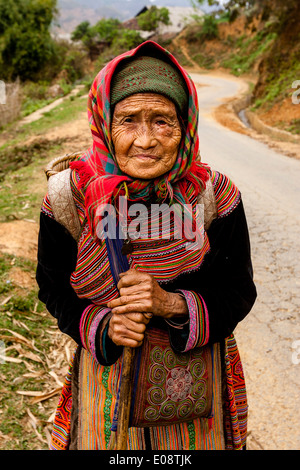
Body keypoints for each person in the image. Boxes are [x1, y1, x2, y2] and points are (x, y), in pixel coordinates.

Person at [36, 40, 256, 451]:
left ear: (185, 125)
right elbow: (52, 287)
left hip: (194, 389)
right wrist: (103, 326)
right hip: (106, 387)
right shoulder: (69, 196)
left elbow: (239, 291)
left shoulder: (214, 194)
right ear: (105, 122)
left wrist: (171, 304)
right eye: (128, 120)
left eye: (162, 121)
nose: (145, 140)